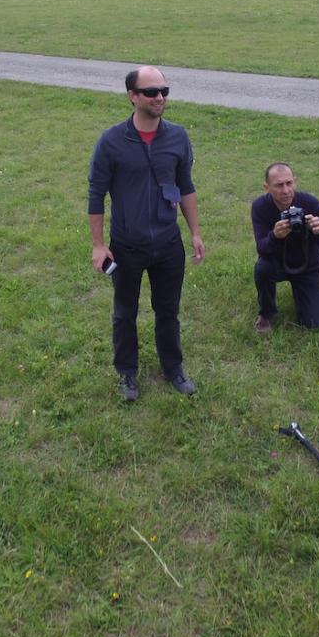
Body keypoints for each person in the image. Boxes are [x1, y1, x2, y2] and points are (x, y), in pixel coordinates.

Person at [88, 66, 205, 401]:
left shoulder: (178, 137)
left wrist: (195, 232)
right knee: (125, 313)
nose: (160, 98)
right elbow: (96, 194)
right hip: (127, 246)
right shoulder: (111, 141)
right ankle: (127, 374)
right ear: (132, 96)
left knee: (168, 311)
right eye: (152, 92)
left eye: (164, 92)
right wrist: (98, 245)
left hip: (169, 243)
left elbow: (185, 187)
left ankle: (173, 369)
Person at [250, 162, 319, 332]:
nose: (285, 190)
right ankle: (266, 313)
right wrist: (275, 236)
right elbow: (262, 249)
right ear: (266, 187)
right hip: (276, 263)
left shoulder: (310, 203)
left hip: (308, 266)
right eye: (278, 185)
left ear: (295, 182)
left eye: (289, 183)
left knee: (313, 325)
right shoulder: (260, 206)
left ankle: (303, 295)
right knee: (262, 268)